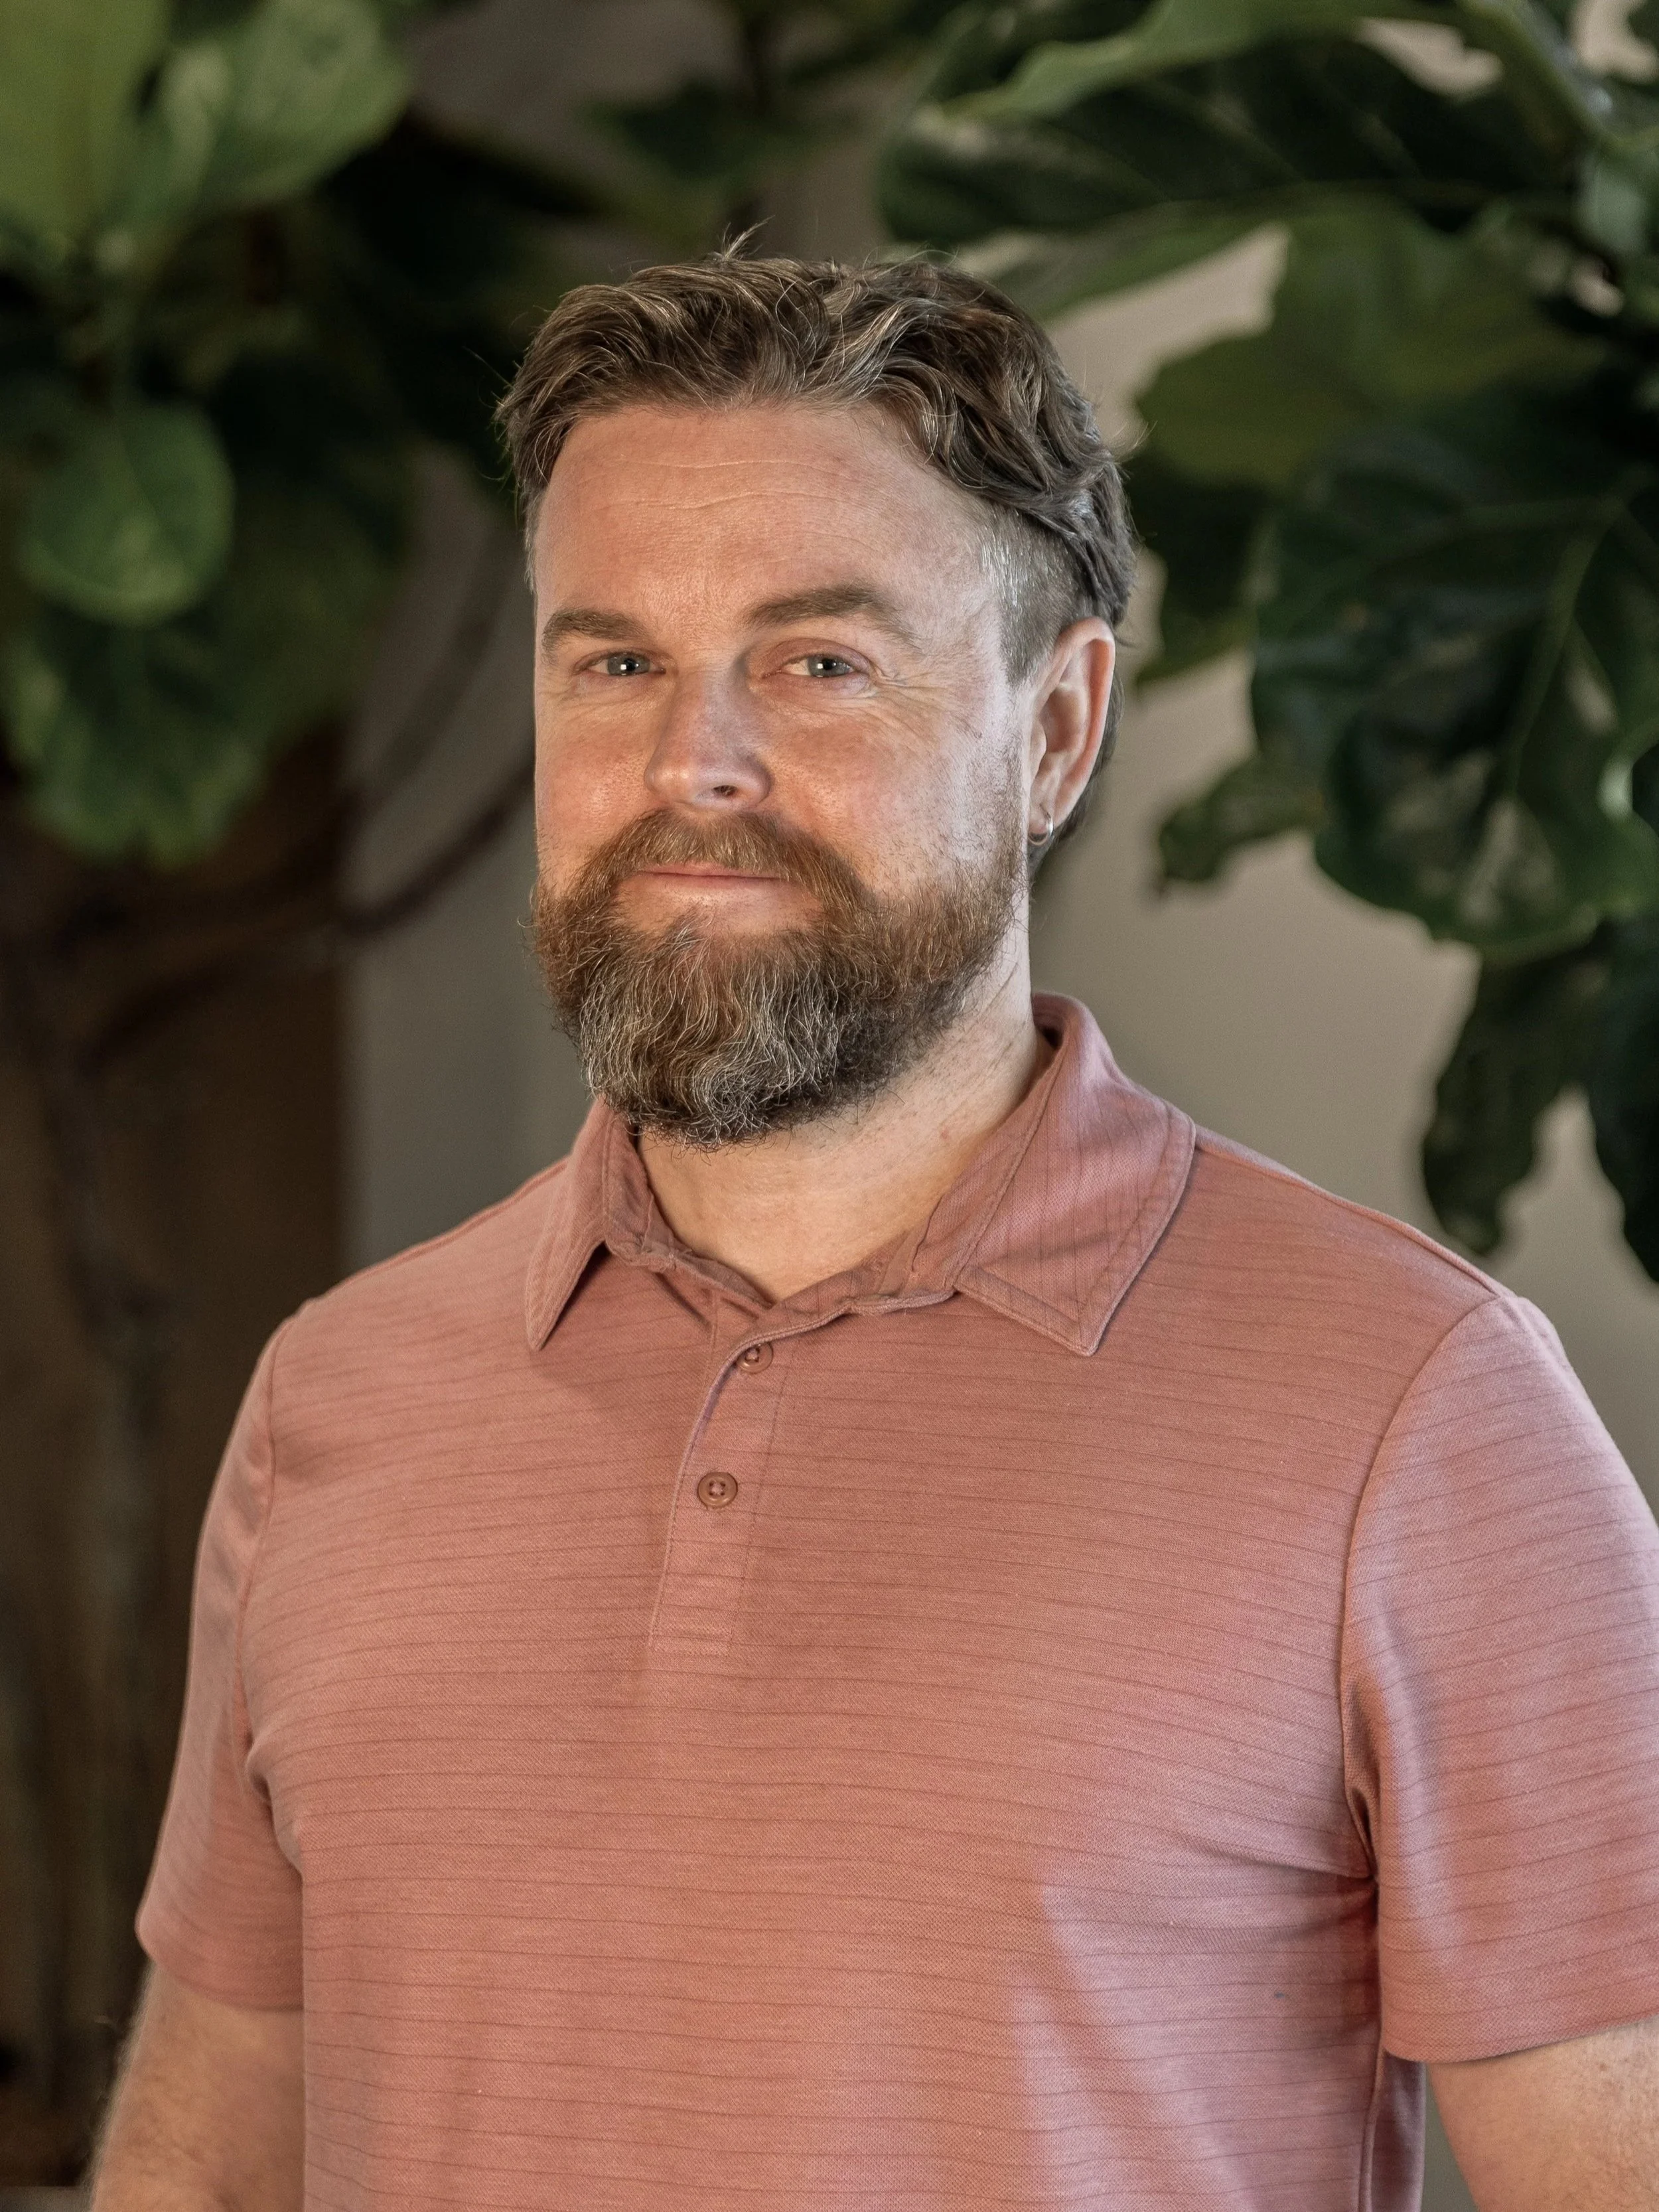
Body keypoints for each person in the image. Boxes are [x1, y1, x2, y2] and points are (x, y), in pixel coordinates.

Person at [92, 254, 1659, 2212]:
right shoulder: (336, 1395)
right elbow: (205, 2175)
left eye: (818, 660)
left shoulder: (1418, 1413)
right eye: (615, 662)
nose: (694, 763)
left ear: (1057, 729)